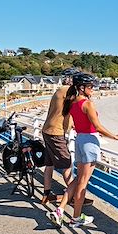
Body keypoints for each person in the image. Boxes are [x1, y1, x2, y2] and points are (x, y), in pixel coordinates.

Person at [47, 72, 118, 228]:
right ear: (81, 88)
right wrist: (114, 136)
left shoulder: (72, 102)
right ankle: (76, 218)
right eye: (90, 86)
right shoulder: (87, 104)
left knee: (77, 179)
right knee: (83, 182)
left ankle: (60, 210)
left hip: (79, 140)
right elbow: (98, 127)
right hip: (89, 142)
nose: (93, 89)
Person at [40, 68, 93, 207]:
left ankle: (46, 194)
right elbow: (81, 106)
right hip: (56, 132)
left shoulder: (60, 90)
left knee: (49, 164)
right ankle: (76, 196)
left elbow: (67, 111)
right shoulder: (68, 91)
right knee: (66, 164)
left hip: (47, 130)